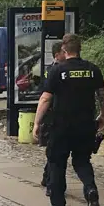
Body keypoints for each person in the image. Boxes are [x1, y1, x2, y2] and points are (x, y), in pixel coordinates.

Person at [32, 34, 104, 206]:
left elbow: (46, 98)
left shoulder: (57, 70)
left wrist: (37, 122)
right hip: (86, 124)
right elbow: (102, 94)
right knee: (82, 161)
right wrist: (103, 115)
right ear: (80, 48)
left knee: (57, 164)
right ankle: (90, 189)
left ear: (64, 49)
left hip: (61, 125)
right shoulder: (92, 69)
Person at [39, 43, 67, 195]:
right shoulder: (53, 71)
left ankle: (47, 178)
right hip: (53, 114)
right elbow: (46, 95)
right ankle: (51, 183)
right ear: (57, 55)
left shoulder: (56, 69)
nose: (66, 54)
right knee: (53, 151)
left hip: (58, 113)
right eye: (63, 52)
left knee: (54, 151)